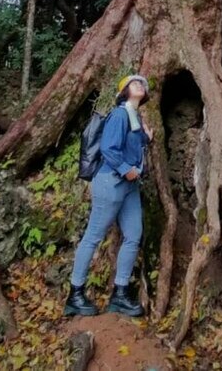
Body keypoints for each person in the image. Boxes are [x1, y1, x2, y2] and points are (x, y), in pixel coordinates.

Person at [64, 73, 154, 317]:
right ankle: (75, 294)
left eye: (142, 84)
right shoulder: (119, 114)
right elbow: (108, 149)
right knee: (93, 237)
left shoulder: (134, 118)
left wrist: (147, 137)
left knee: (134, 235)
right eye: (133, 83)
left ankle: (120, 293)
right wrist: (127, 171)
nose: (139, 85)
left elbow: (134, 144)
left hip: (129, 188)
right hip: (111, 183)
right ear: (124, 92)